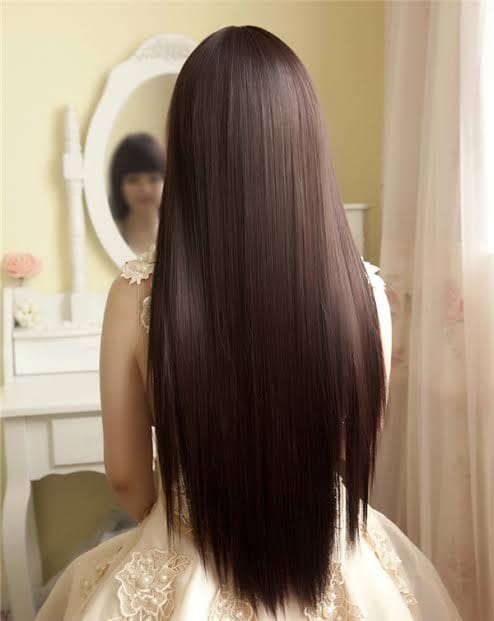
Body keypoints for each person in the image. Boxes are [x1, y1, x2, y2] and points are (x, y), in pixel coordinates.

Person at [35, 26, 461, 620]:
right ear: (305, 146)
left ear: (187, 148)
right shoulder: (366, 294)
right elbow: (352, 444)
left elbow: (128, 478)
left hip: (185, 554)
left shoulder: (135, 294)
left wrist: (177, 535)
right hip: (324, 556)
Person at [109, 132, 165, 255]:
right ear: (119, 185)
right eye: (133, 180)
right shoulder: (108, 235)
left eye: (153, 179)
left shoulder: (184, 237)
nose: (145, 189)